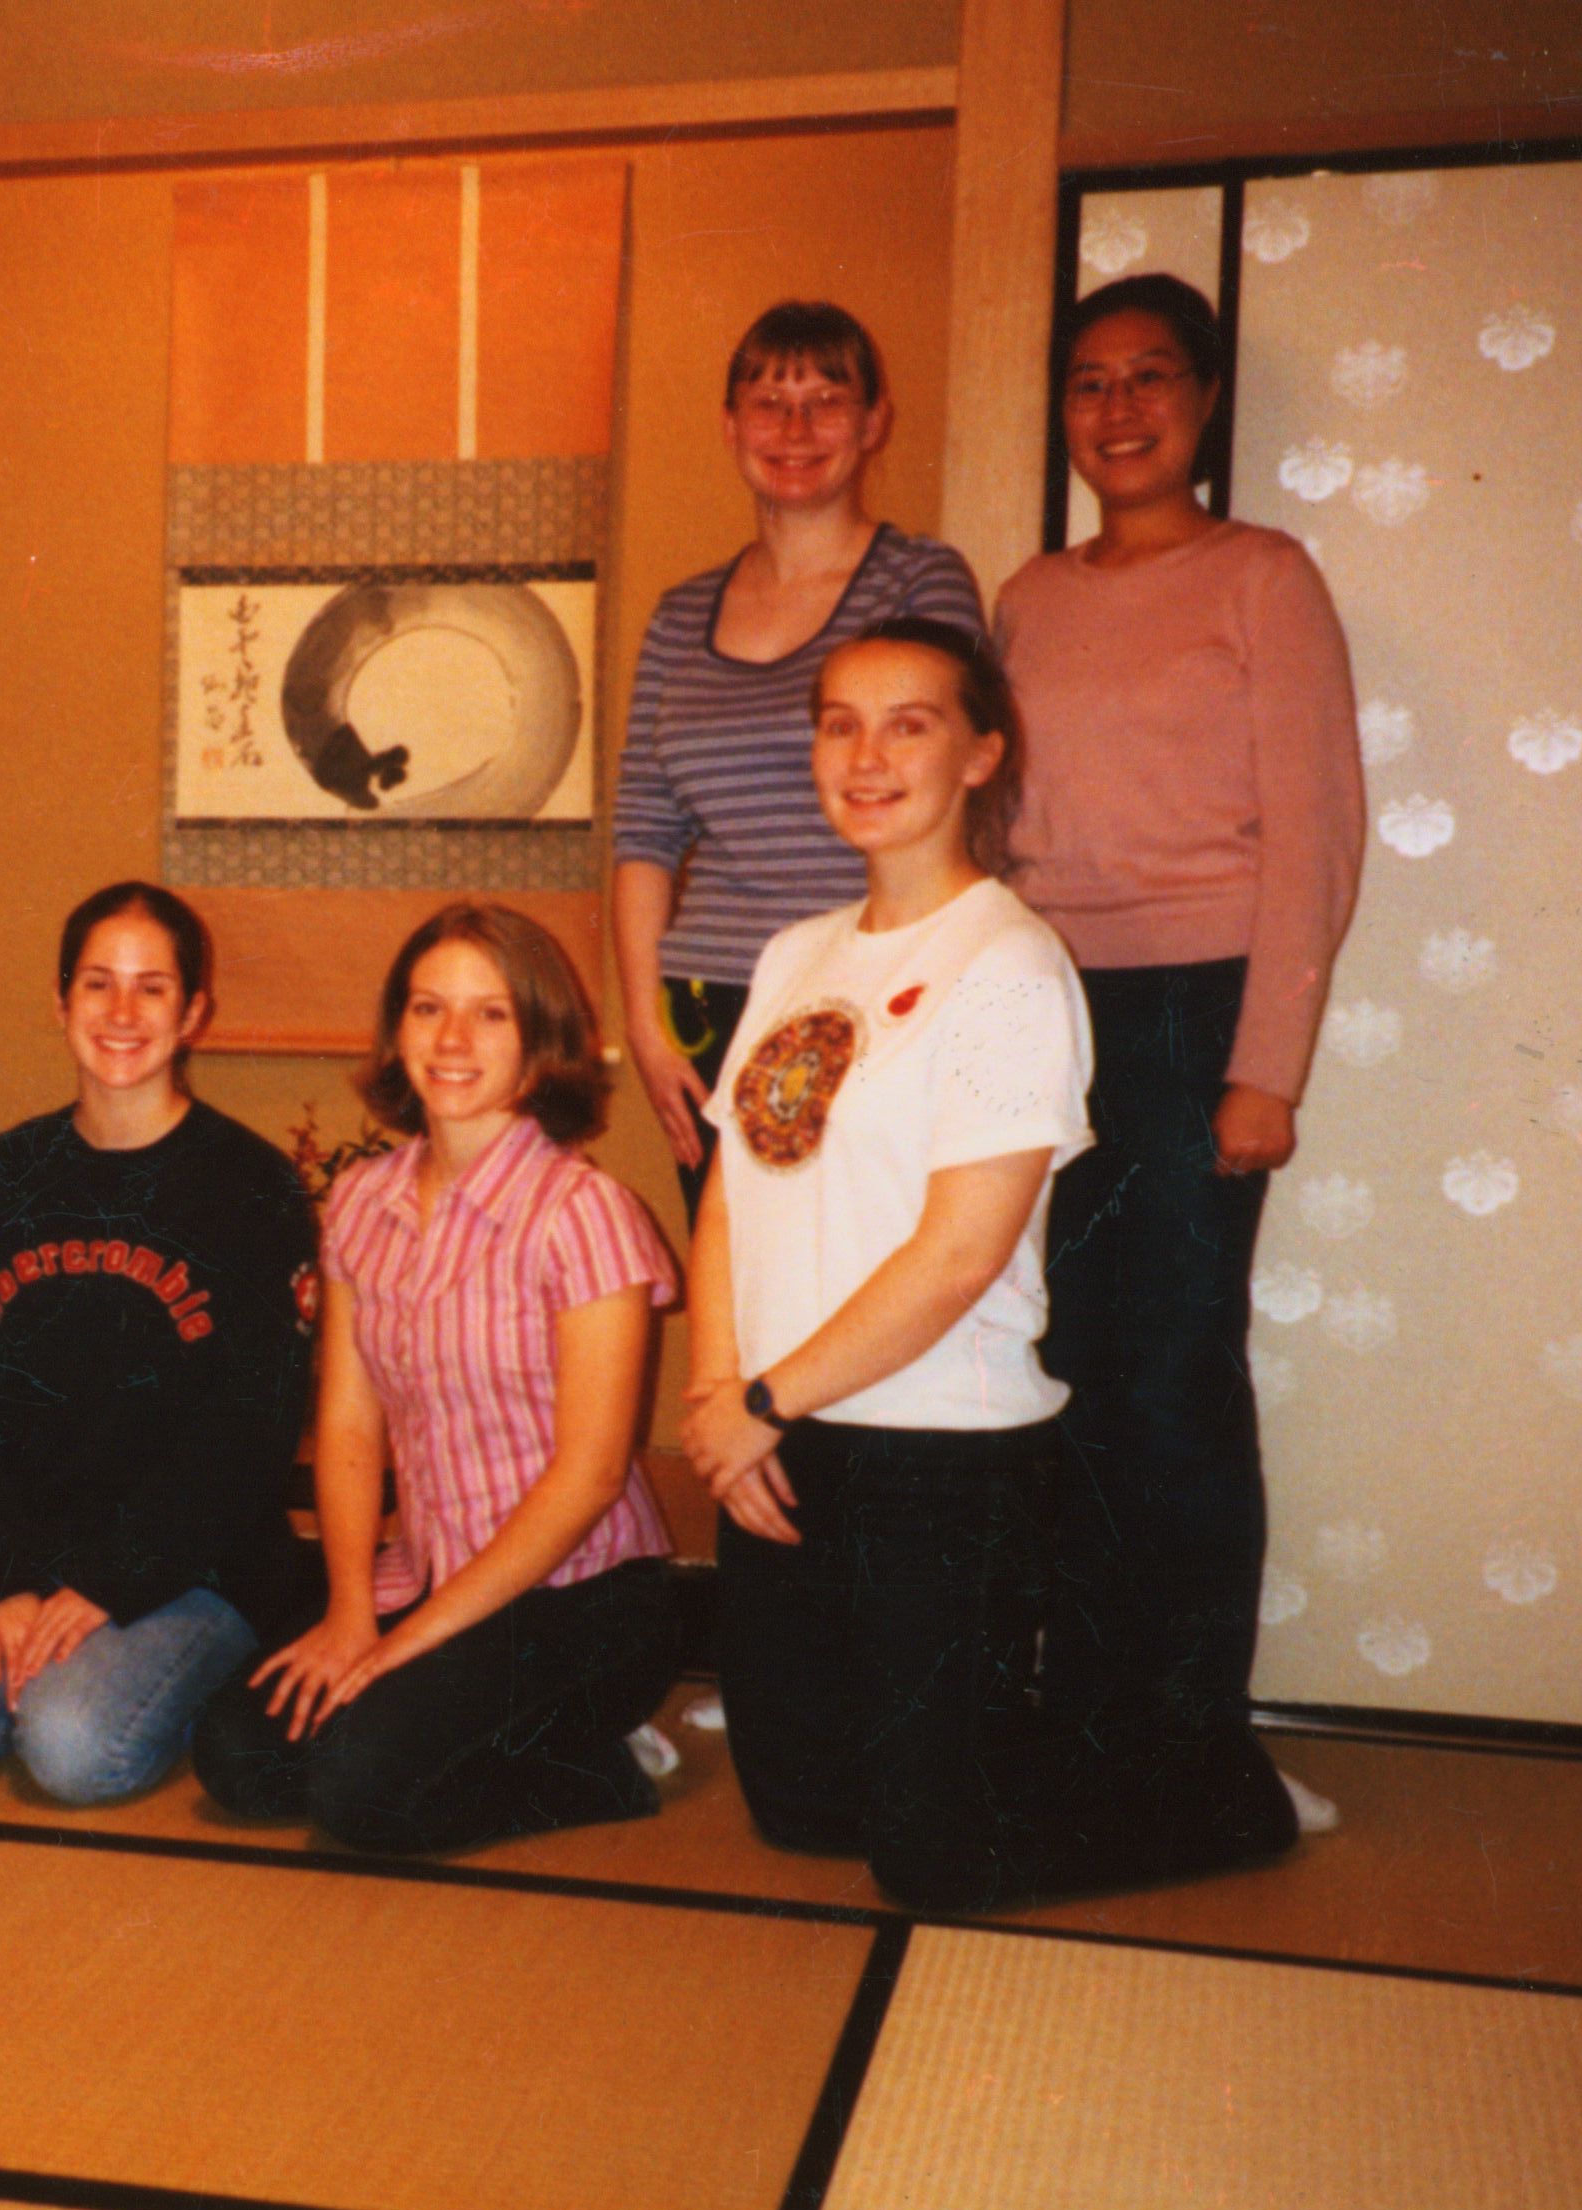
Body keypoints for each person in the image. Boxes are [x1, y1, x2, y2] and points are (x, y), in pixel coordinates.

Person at [996, 272, 1364, 1878]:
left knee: (1174, 1391)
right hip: (1044, 1011)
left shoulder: (1263, 577)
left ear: (1203, 401)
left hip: (1196, 1012)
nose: (1119, 407)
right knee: (1063, 1370)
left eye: (1151, 377)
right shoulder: (1024, 595)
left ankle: (1195, 1745)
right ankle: (1086, 1728)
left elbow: (1320, 835)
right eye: (1089, 381)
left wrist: (1262, 1067)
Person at [687, 621, 1092, 1914]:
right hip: (780, 1439)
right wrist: (716, 1406)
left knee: (931, 1863)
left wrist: (762, 1405)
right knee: (804, 1814)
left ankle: (1191, 1786)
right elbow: (729, 1195)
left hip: (936, 1455)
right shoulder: (792, 954)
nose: (866, 755)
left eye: (908, 723)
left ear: (982, 753)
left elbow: (963, 1253)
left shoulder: (1008, 963)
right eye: (839, 723)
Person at [193, 904, 681, 1856]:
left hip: (580, 1599)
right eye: (428, 1008)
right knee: (238, 1758)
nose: (453, 1040)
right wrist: (348, 1613)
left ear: (541, 1042)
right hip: (421, 1573)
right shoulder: (362, 1201)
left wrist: (402, 1645)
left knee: (360, 1794)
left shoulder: (586, 1216)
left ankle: (607, 1765)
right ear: (397, 1030)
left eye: (491, 1015)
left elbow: (586, 1479)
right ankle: (450, 1715)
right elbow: (346, 1429)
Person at [0, 883, 318, 1806]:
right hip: (20, 1544)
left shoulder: (250, 1184)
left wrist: (111, 1584)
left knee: (75, 1751)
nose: (122, 1014)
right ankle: (67, 1668)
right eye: (97, 985)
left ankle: (199, 1673)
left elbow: (253, 1432)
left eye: (151, 988)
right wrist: (1, 1582)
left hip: (191, 1557)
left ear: (193, 1010)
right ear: (60, 1001)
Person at [611, 301, 988, 1218]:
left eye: (826, 401)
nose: (795, 429)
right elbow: (642, 835)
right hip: (707, 1002)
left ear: (873, 424)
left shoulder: (918, 580)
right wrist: (646, 1026)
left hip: (866, 993)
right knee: (734, 1283)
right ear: (731, 425)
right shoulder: (679, 613)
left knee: (855, 1270)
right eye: (769, 402)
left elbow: (947, 791)